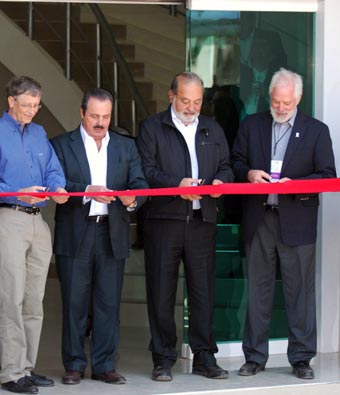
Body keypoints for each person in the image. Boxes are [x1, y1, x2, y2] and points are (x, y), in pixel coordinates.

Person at [231, 68, 336, 379]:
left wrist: (298, 184)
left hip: (297, 221)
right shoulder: (252, 125)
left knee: (300, 292)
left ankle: (301, 358)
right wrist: (248, 173)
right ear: (269, 98)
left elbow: (328, 177)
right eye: (276, 102)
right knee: (258, 291)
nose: (280, 108)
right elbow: (235, 161)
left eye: (286, 103)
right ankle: (254, 356)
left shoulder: (316, 131)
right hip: (260, 219)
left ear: (298, 99)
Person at [136, 71, 234, 381]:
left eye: (197, 101)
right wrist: (175, 185)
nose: (192, 107)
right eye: (185, 100)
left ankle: (205, 356)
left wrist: (222, 182)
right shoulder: (153, 127)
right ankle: (163, 357)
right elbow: (145, 170)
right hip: (164, 221)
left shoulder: (212, 128)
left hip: (202, 221)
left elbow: (226, 167)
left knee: (203, 292)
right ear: (171, 97)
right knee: (162, 291)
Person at [50, 88, 148, 386]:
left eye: (105, 117)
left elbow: (140, 183)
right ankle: (74, 364)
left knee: (108, 304)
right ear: (82, 113)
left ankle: (105, 365)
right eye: (94, 116)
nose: (100, 123)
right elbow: (55, 182)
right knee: (74, 304)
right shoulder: (61, 144)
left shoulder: (125, 147)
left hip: (111, 232)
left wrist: (133, 201)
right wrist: (86, 191)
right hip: (75, 232)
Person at [0, 75, 67, 395]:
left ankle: (27, 367)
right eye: (27, 104)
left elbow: (54, 168)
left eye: (36, 105)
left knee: (34, 300)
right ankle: (12, 372)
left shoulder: (40, 133)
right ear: (11, 101)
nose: (32, 110)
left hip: (38, 221)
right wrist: (19, 193)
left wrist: (58, 186)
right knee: (11, 298)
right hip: (8, 218)